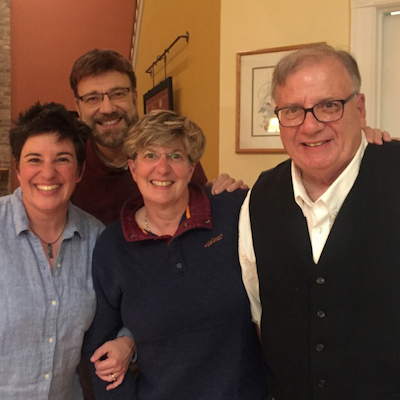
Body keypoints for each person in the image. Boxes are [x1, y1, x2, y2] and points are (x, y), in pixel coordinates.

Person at [239, 44, 400, 399]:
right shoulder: (258, 198)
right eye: (293, 111)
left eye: (329, 105)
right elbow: (260, 311)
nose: (310, 126)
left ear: (359, 108)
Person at [83, 109, 269, 399]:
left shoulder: (233, 212)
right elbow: (102, 353)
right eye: (150, 155)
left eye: (175, 156)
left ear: (192, 168)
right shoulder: (113, 246)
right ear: (133, 168)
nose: (162, 168)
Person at [0, 102, 104, 399]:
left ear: (79, 171)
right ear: (18, 169)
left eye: (62, 159)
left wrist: (127, 341)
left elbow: (122, 311)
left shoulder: (97, 238)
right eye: (34, 159)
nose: (47, 173)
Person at [69, 49, 244, 225]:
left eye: (118, 94)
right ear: (78, 106)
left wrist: (220, 193)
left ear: (134, 97)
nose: (108, 108)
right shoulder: (71, 169)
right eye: (92, 98)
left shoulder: (175, 151)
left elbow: (201, 209)